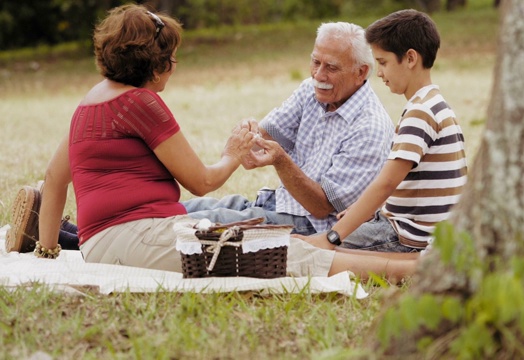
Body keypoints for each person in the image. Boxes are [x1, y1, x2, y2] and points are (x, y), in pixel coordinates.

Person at [5, 5, 415, 283]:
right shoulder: (142, 103)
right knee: (278, 254)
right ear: (155, 63)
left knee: (258, 236)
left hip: (112, 239)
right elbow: (202, 181)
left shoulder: (90, 101)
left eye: (331, 66)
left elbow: (53, 180)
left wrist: (48, 253)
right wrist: (234, 154)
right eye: (172, 57)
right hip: (140, 236)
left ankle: (413, 265)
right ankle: (415, 272)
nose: (175, 66)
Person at [181, 21, 395, 236]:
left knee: (194, 223)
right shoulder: (310, 92)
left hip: (310, 227)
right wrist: (244, 138)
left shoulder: (370, 127)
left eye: (331, 67)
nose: (318, 75)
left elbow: (321, 208)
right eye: (315, 62)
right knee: (181, 210)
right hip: (275, 204)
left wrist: (281, 161)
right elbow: (256, 145)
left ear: (361, 72)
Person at [297, 9, 468, 255]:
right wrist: (367, 211)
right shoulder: (435, 104)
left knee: (306, 249)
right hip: (418, 229)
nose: (378, 73)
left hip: (406, 236)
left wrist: (333, 237)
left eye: (383, 62)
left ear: (410, 59)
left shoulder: (420, 112)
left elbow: (386, 183)